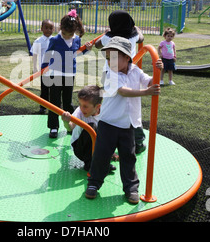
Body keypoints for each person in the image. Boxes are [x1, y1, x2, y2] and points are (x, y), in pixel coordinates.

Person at [85, 36, 163, 204]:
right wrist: (145, 93)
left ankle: (131, 188)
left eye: (114, 57)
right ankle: (93, 184)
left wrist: (159, 71)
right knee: (101, 155)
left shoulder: (135, 70)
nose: (110, 61)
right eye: (107, 58)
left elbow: (149, 81)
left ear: (127, 57)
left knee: (129, 157)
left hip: (128, 124)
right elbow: (122, 91)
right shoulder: (109, 74)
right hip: (109, 123)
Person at [95, 10, 147, 154]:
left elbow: (97, 44)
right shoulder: (133, 36)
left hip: (109, 74)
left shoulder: (108, 38)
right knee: (130, 109)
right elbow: (141, 38)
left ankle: (105, 136)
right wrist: (138, 29)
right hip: (127, 74)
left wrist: (107, 33)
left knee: (109, 106)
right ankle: (138, 142)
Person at [42, 9, 92, 139]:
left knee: (67, 102)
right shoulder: (55, 39)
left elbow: (77, 53)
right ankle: (53, 127)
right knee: (54, 102)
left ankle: (70, 125)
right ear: (60, 28)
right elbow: (48, 54)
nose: (66, 36)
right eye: (64, 33)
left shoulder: (76, 40)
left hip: (70, 74)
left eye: (69, 34)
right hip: (56, 74)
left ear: (74, 31)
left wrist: (87, 49)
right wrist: (43, 69)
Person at [61, 85, 117, 174]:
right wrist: (66, 122)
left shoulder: (105, 113)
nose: (82, 108)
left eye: (85, 106)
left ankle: (103, 162)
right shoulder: (79, 112)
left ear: (98, 107)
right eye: (80, 104)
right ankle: (90, 164)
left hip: (97, 146)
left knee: (108, 130)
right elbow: (70, 127)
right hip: (80, 148)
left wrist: (112, 152)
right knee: (91, 127)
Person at [31, 19, 54, 114]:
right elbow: (35, 54)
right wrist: (34, 67)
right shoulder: (38, 41)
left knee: (54, 90)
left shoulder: (55, 40)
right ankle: (43, 107)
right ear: (41, 28)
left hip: (54, 70)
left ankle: (54, 107)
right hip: (43, 70)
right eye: (46, 28)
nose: (48, 30)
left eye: (51, 28)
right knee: (44, 90)